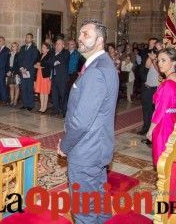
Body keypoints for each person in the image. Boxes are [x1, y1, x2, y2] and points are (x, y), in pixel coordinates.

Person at [58, 19, 119, 223]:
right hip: (97, 147)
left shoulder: (95, 71)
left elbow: (82, 121)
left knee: (84, 210)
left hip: (86, 150)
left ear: (100, 40)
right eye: (80, 34)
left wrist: (65, 146)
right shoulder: (104, 64)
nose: (80, 38)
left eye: (86, 34)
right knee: (98, 201)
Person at [146, 48, 176, 166]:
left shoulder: (169, 83)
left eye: (163, 60)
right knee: (170, 157)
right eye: (158, 60)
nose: (159, 63)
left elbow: (160, 110)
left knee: (162, 160)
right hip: (172, 119)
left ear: (173, 62)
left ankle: (165, 184)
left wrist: (151, 129)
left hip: (164, 124)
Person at [139, 38, 161, 137]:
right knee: (146, 108)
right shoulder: (151, 55)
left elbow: (160, 72)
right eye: (152, 45)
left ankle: (154, 130)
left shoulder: (163, 57)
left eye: (156, 46)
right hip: (148, 86)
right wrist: (152, 57)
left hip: (157, 87)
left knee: (155, 110)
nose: (153, 47)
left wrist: (154, 59)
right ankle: (146, 127)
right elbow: (146, 66)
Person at [18, 33, 39, 111]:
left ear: (32, 39)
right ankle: (25, 104)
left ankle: (30, 105)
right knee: (23, 88)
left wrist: (26, 68)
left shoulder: (34, 49)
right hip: (22, 71)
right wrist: (21, 67)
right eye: (26, 37)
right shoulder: (22, 48)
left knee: (29, 88)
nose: (27, 39)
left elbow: (33, 60)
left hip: (29, 71)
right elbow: (19, 59)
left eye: (29, 37)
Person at [51, 39, 69, 116]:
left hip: (62, 78)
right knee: (54, 95)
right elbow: (49, 61)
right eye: (56, 44)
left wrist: (56, 58)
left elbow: (62, 59)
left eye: (59, 44)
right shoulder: (53, 53)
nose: (57, 45)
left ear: (63, 45)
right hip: (54, 77)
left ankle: (65, 111)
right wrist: (55, 61)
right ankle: (56, 110)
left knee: (63, 95)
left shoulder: (66, 52)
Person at [34, 42, 53, 113]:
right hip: (39, 74)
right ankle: (41, 107)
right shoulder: (41, 54)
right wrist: (37, 65)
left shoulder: (49, 55)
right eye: (42, 47)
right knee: (41, 91)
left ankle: (45, 107)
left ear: (48, 49)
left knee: (45, 92)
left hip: (45, 75)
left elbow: (47, 65)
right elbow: (36, 63)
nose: (42, 49)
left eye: (44, 47)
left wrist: (39, 65)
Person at [6, 42, 20, 107]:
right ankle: (11, 101)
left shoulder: (19, 55)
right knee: (11, 87)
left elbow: (18, 65)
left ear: (17, 47)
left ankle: (15, 101)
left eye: (14, 46)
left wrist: (12, 71)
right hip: (9, 72)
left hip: (16, 72)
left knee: (16, 87)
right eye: (12, 46)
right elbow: (7, 64)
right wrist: (8, 71)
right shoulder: (9, 54)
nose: (13, 47)